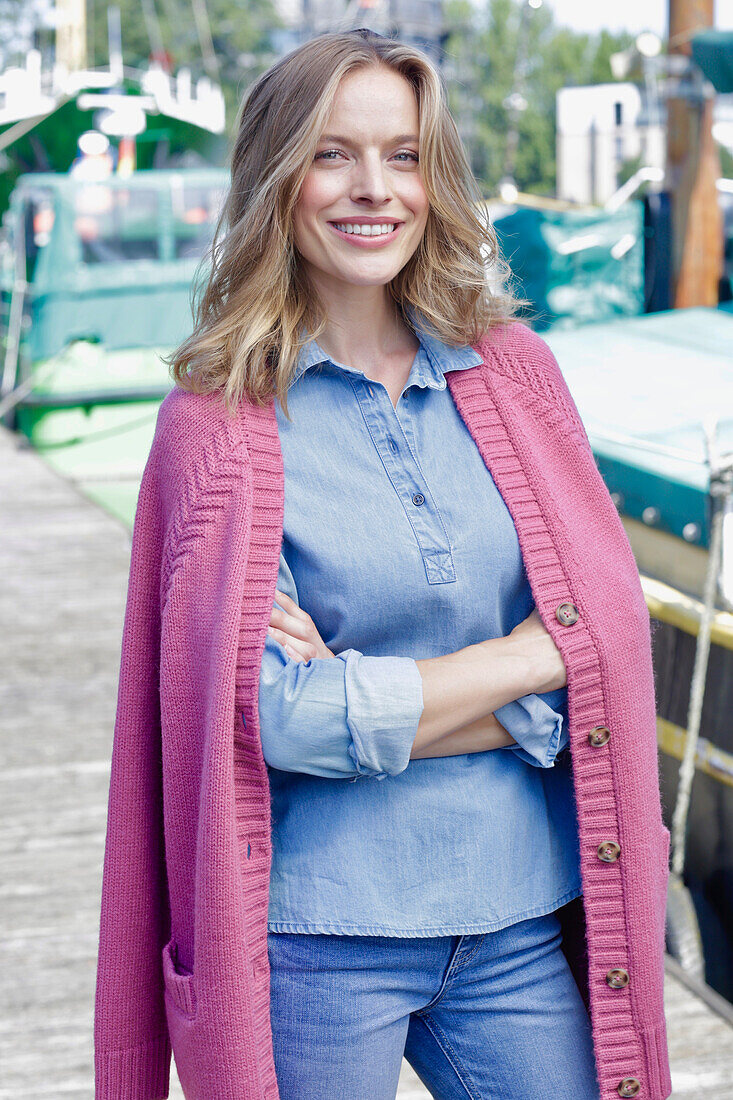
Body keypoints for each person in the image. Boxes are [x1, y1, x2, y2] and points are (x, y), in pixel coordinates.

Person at [94, 28, 672, 1100]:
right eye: (332, 154)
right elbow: (274, 718)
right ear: (278, 176)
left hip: (514, 917)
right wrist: (525, 661)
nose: (374, 188)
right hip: (317, 939)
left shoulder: (518, 375)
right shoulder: (216, 427)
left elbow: (607, 647)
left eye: (402, 155)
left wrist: (381, 692)